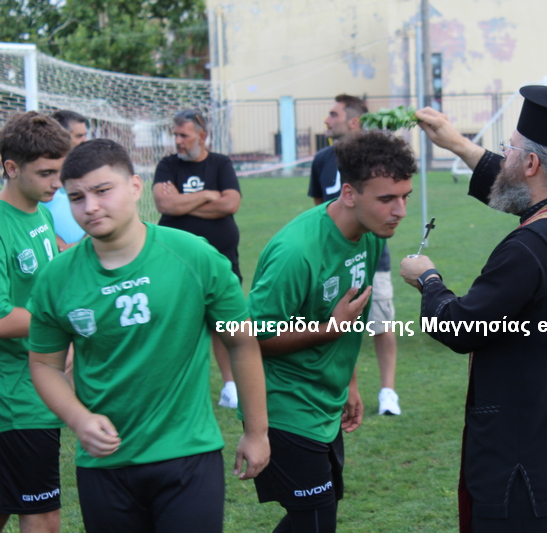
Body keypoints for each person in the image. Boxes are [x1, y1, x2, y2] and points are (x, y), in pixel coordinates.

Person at [400, 86, 547, 532]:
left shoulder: (529, 248)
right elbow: (523, 196)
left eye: (509, 148)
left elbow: (460, 328)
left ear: (531, 164)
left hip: (533, 468)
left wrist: (429, 280)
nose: (503, 155)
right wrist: (458, 144)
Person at [26, 139, 270, 533]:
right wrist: (78, 418)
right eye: (76, 197)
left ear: (135, 187)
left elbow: (241, 342)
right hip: (104, 465)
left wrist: (256, 431)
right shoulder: (56, 277)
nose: (90, 207)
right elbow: (43, 364)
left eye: (102, 190)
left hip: (188, 455)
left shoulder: (195, 256)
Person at [250, 129, 416, 532]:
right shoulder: (296, 252)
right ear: (349, 194)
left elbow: (348, 319)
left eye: (405, 197)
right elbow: (251, 338)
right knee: (316, 519)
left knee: (316, 516)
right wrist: (327, 330)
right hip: (285, 405)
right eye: (387, 199)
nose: (400, 211)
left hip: (326, 398)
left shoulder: (370, 237)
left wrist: (350, 383)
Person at [309, 94, 402, 416]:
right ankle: (347, 389)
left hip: (373, 257)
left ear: (353, 122)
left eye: (333, 114)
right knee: (338, 326)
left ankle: (388, 392)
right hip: (332, 259)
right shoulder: (322, 159)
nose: (326, 120)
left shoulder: (377, 161)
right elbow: (319, 209)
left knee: (382, 321)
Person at [0, 111, 70, 533]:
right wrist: (63, 321)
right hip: (16, 398)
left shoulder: (39, 213)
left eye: (60, 171)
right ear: (11, 168)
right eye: (46, 173)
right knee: (43, 518)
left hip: (36, 385)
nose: (57, 183)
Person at [152, 109, 243, 409]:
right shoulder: (168, 165)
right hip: (176, 261)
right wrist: (207, 195)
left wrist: (181, 203)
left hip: (221, 258)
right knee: (179, 324)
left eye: (184, 135)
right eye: (175, 135)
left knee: (225, 324)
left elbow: (230, 203)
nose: (177, 141)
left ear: (202, 136)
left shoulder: (220, 163)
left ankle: (231, 386)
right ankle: (179, 388)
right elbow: (164, 204)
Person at [43, 109, 89, 251]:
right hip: (52, 251)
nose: (85, 141)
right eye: (79, 136)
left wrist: (85, 243)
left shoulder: (89, 168)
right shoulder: (40, 171)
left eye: (85, 135)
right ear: (61, 136)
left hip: (86, 250)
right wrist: (61, 245)